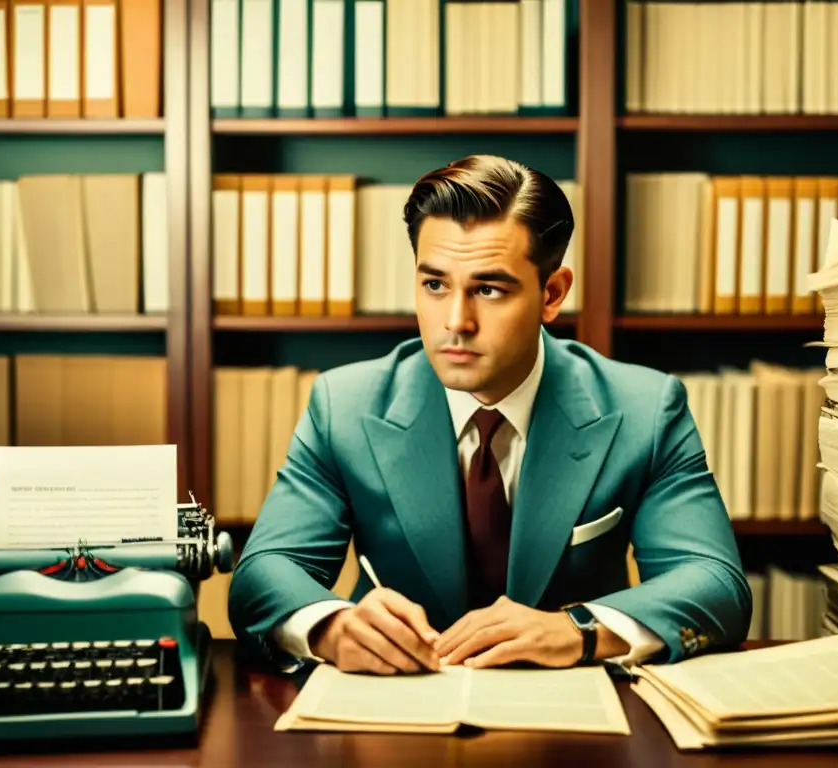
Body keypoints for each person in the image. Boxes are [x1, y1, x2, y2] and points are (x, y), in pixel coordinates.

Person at [227, 154, 752, 675]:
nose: (456, 322)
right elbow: (264, 573)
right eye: (435, 285)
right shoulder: (343, 406)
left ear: (552, 294)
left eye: (489, 289)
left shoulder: (646, 409)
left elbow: (715, 583)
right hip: (392, 710)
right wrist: (332, 627)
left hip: (575, 713)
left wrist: (579, 631)